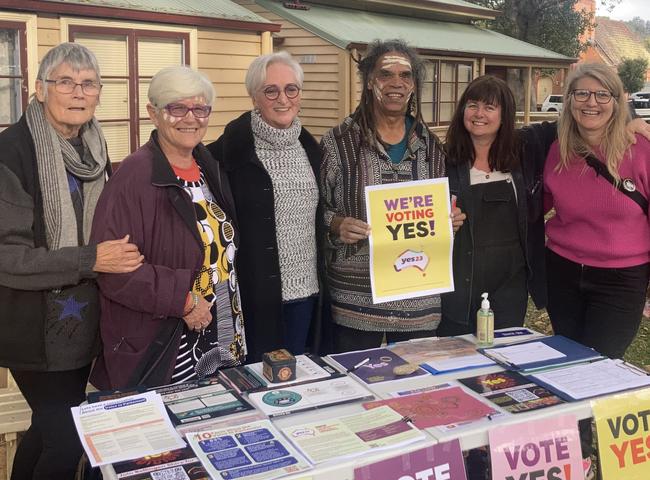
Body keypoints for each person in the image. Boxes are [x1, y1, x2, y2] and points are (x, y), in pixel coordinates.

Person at [0, 43, 143, 480]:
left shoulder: (96, 150)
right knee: (68, 442)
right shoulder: (12, 153)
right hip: (31, 329)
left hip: (82, 327)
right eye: (65, 82)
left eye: (88, 84)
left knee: (47, 431)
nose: (77, 93)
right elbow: (8, 257)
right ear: (40, 90)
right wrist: (91, 258)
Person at [90, 66, 246, 390]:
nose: (191, 118)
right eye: (177, 108)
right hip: (167, 344)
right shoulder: (134, 177)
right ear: (153, 113)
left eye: (200, 108)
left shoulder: (208, 168)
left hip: (222, 330)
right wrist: (183, 301)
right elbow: (115, 271)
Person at [320, 39, 464, 352]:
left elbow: (440, 210)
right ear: (369, 81)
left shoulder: (433, 149)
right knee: (355, 389)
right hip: (356, 303)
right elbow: (316, 211)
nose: (396, 82)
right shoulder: (338, 143)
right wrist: (336, 224)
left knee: (413, 394)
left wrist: (448, 221)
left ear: (414, 86)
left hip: (418, 302)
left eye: (406, 75)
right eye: (386, 74)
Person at [544, 63, 650, 477]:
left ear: (617, 99)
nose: (591, 103)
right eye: (582, 94)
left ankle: (602, 457)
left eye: (601, 94)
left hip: (622, 277)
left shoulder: (639, 147)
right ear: (568, 101)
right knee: (566, 365)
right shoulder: (557, 149)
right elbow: (538, 206)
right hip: (564, 270)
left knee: (601, 367)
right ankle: (573, 455)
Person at [208, 52, 325, 362]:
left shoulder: (314, 151)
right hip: (254, 296)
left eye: (291, 89)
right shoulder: (224, 155)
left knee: (300, 384)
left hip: (307, 294)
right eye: (271, 90)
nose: (282, 98)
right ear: (254, 97)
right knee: (259, 386)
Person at [438, 75, 556, 336]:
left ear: (505, 115)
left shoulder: (527, 148)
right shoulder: (442, 159)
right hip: (457, 286)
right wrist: (441, 221)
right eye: (472, 105)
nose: (479, 114)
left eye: (489, 107)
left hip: (510, 287)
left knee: (503, 363)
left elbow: (579, 121)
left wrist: (628, 118)